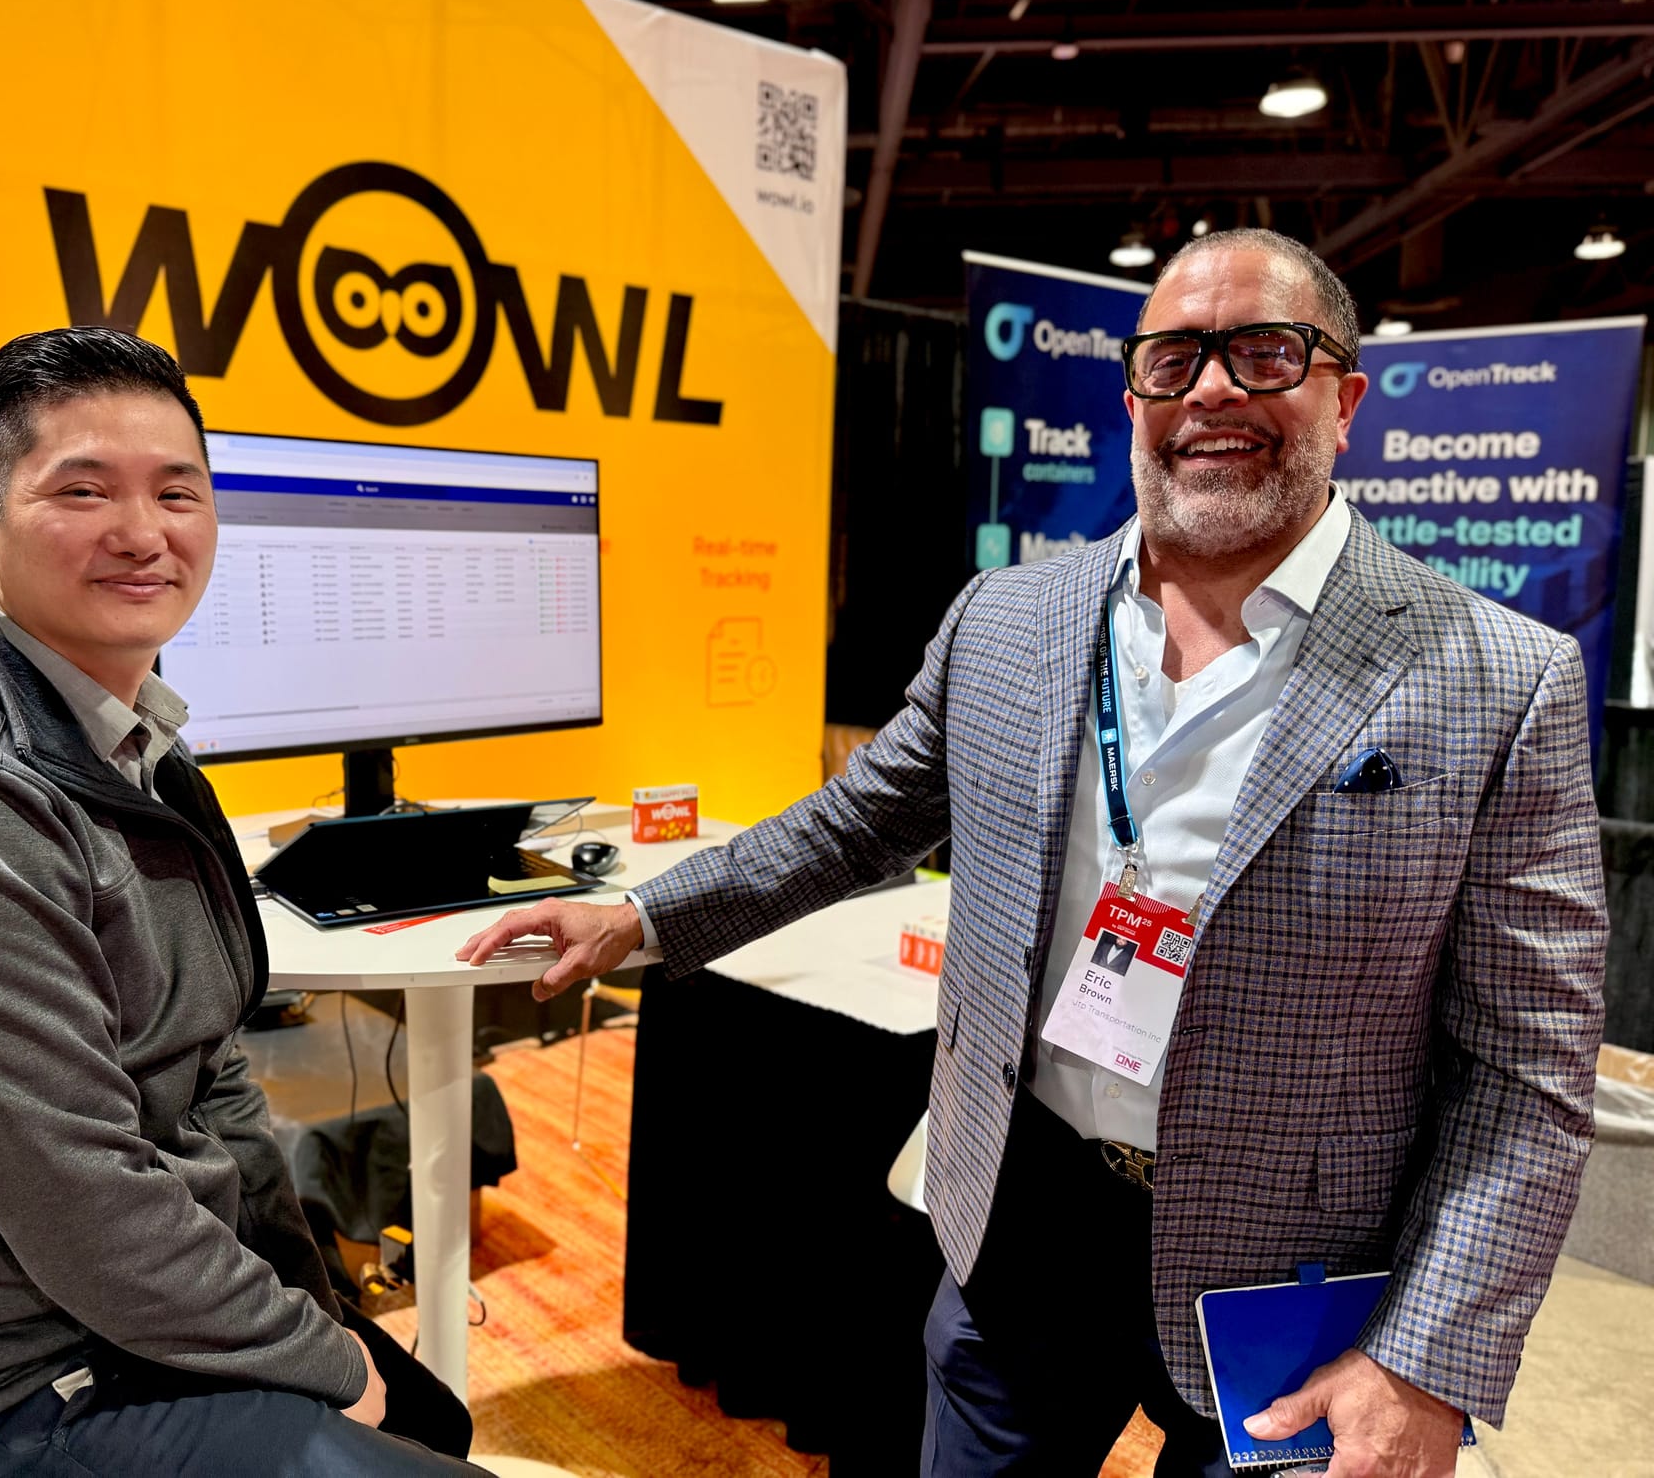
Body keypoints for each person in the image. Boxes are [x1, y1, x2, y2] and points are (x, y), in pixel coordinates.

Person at [458, 229, 1607, 1478]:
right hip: (1020, 1218)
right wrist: (641, 917)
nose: (1210, 390)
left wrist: (1425, 1360)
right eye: (1172, 360)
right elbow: (857, 820)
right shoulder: (1005, 620)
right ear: (1131, 400)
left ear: (1343, 399)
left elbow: (1525, 1070)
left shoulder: (1497, 678)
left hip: (1295, 1278)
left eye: (1263, 353)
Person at [0, 327, 483, 1476]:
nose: (143, 532)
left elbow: (208, 1071)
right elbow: (81, 1207)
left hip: (128, 1313)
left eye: (176, 492)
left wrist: (311, 1316)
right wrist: (326, 1360)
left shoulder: (130, 743)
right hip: (14, 1387)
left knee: (432, 1423)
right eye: (83, 490)